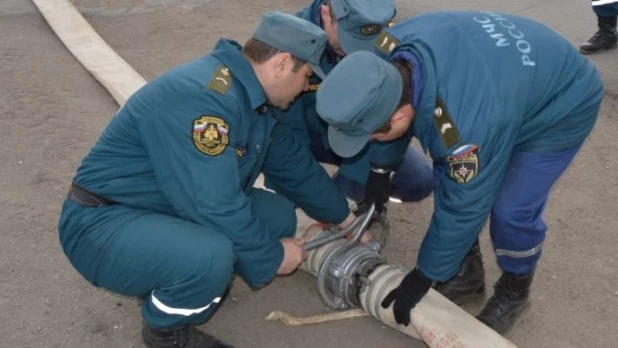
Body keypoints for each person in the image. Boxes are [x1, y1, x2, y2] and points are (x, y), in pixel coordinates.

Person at [58, 11, 356, 348]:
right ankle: (166, 332)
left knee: (277, 216)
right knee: (210, 257)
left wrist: (345, 219)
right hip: (101, 225)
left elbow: (293, 165)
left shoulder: (252, 97)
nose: (306, 87)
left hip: (157, 204)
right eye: (306, 76)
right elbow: (213, 204)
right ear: (282, 64)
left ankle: (173, 270)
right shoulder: (204, 102)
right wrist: (271, 257)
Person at [316, 11, 603, 334]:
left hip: (562, 104)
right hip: (509, 80)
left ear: (399, 116)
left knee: (511, 210)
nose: (369, 142)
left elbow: (464, 206)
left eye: (372, 136)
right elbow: (388, 118)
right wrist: (381, 170)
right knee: (447, 172)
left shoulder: (465, 128)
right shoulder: (384, 56)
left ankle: (515, 291)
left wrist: (424, 275)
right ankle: (467, 276)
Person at [267, 0, 434, 212]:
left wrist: (375, 172)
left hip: (362, 136)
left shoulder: (388, 41)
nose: (358, 52)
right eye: (349, 40)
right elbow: (285, 132)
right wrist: (308, 196)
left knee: (417, 181)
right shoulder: (289, 42)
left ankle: (355, 199)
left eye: (367, 41)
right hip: (307, 137)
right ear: (326, 13)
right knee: (294, 199)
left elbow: (396, 111)